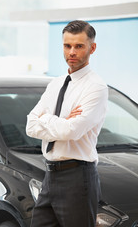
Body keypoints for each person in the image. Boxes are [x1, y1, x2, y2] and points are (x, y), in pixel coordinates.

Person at [26, 20, 108, 227]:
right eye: (67, 46)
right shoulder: (55, 83)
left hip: (77, 177)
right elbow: (30, 125)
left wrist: (47, 120)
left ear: (92, 47)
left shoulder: (95, 87)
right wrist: (60, 121)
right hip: (50, 175)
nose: (72, 52)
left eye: (79, 46)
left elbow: (72, 130)